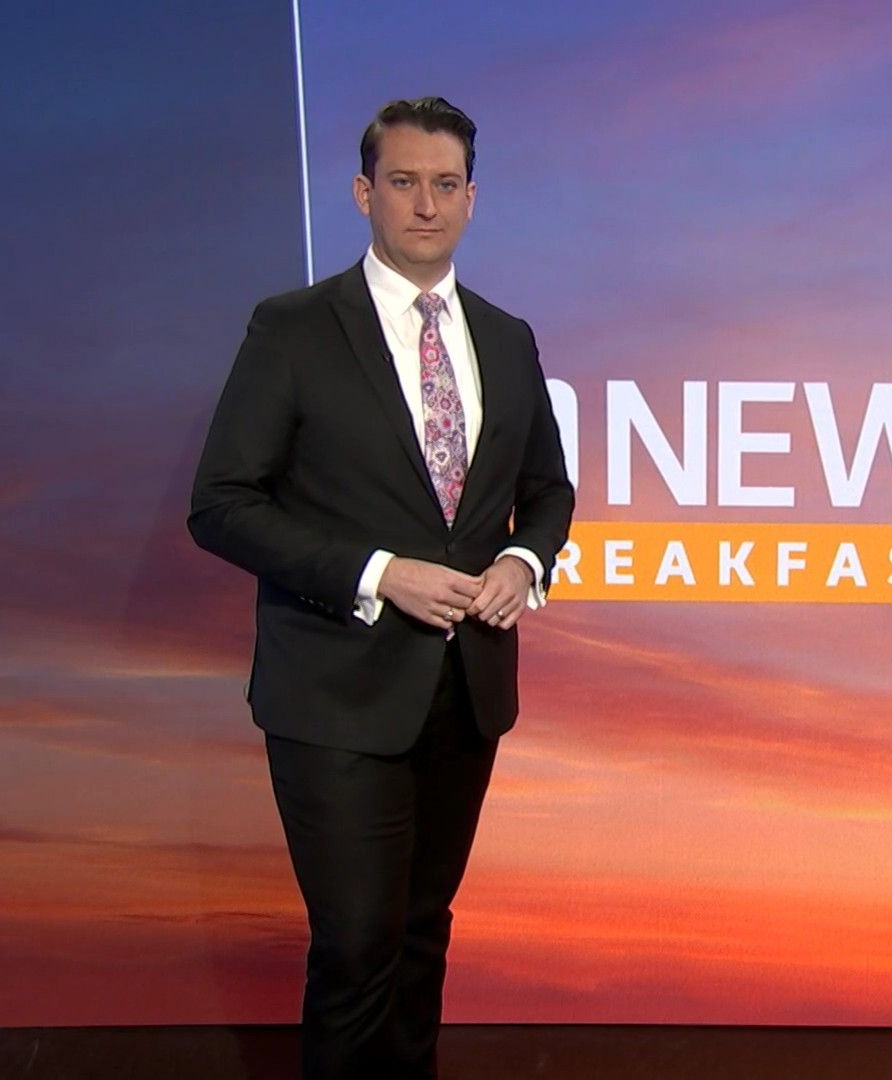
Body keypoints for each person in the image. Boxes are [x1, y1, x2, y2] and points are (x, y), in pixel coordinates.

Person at [188, 96, 574, 1079]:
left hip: (465, 693)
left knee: (418, 935)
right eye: (403, 182)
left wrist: (521, 564)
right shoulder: (294, 329)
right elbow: (222, 504)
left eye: (445, 184)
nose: (425, 204)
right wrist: (377, 574)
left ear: (473, 198)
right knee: (357, 946)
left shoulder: (507, 337)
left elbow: (547, 491)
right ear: (365, 193)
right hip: (334, 694)